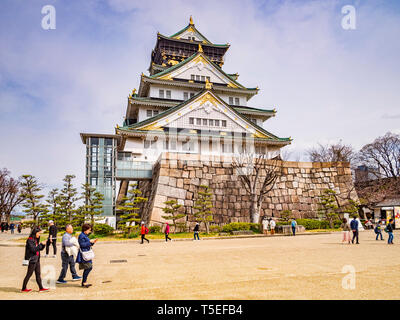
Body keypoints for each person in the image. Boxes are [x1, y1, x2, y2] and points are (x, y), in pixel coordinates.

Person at [21, 227, 49, 292]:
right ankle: (23, 288)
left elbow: (39, 249)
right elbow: (33, 249)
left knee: (38, 274)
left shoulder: (35, 239)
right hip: (32, 260)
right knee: (29, 274)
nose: (39, 234)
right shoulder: (30, 240)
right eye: (39, 233)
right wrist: (41, 244)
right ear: (35, 232)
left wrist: (43, 244)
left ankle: (41, 288)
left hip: (37, 259)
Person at [76, 223, 97, 288]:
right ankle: (84, 282)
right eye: (89, 230)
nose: (89, 231)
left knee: (88, 267)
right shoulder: (81, 236)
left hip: (87, 253)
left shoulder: (84, 235)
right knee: (89, 267)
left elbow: (87, 244)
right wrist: (90, 242)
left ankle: (84, 282)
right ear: (85, 229)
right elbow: (82, 245)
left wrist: (92, 242)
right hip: (84, 254)